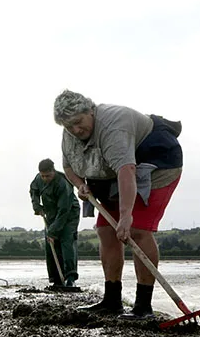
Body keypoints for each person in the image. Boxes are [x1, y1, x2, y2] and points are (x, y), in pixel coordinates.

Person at [53, 89, 183, 320]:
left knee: (137, 230)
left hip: (158, 164)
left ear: (90, 111)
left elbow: (126, 170)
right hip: (113, 175)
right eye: (69, 126)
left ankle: (143, 307)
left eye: (79, 122)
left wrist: (125, 216)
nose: (76, 130)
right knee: (105, 230)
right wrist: (80, 185)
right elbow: (68, 167)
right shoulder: (70, 134)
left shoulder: (113, 126)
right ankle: (112, 300)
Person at [29, 158, 80, 287]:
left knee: (66, 240)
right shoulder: (38, 179)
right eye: (43, 176)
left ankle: (70, 278)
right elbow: (34, 190)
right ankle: (57, 279)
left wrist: (52, 232)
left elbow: (63, 211)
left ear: (53, 171)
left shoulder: (63, 184)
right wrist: (36, 206)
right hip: (50, 212)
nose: (45, 179)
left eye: (48, 176)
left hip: (69, 213)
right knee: (50, 244)